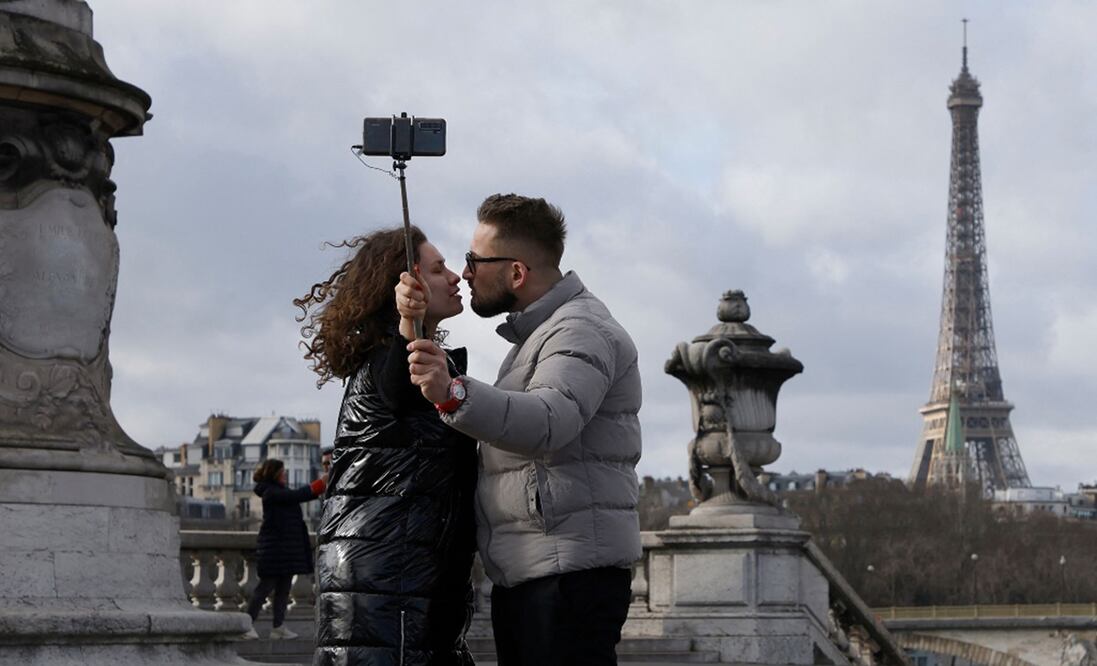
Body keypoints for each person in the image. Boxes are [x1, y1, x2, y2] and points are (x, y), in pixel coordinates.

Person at [397, 194, 643, 666]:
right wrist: (412, 322)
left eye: (474, 260)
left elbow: (549, 420)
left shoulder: (580, 330)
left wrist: (455, 394)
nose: (466, 273)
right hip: (546, 574)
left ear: (516, 273)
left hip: (565, 581)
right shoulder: (545, 334)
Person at [295, 226, 478, 666]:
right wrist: (406, 324)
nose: (455, 277)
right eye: (438, 269)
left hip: (403, 584)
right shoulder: (390, 360)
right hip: (386, 589)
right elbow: (400, 383)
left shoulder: (422, 360)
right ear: (405, 286)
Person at [244, 457, 327, 640]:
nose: (286, 474)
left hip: (284, 550)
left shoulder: (276, 491)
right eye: (282, 472)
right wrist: (320, 484)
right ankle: (246, 625)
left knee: (283, 589)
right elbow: (297, 496)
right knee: (265, 588)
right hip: (275, 551)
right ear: (274, 474)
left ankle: (278, 626)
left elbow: (295, 496)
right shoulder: (271, 492)